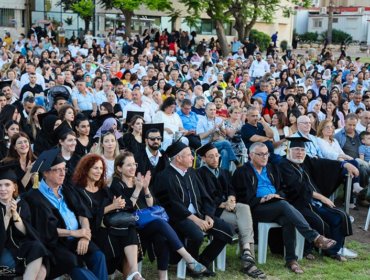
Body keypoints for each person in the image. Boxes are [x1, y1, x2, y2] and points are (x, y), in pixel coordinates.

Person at [232, 142, 337, 274]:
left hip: (275, 205)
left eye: (266, 154)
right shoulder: (242, 172)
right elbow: (243, 198)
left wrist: (276, 195)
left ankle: (291, 260)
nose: (265, 157)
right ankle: (314, 237)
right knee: (284, 205)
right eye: (261, 154)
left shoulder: (271, 168)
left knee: (287, 218)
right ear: (251, 155)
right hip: (255, 209)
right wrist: (262, 199)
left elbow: (282, 189)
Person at [111, 151, 206, 279]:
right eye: (128, 165)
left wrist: (145, 188)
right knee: (160, 223)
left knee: (162, 237)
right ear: (119, 168)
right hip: (131, 226)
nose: (133, 167)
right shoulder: (116, 185)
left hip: (147, 223)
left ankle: (163, 277)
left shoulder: (137, 181)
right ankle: (189, 258)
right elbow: (127, 207)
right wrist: (137, 189)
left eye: (134, 164)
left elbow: (151, 204)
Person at [24, 148, 109, 279]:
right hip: (57, 243)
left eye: (64, 169)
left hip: (78, 238)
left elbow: (83, 213)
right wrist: (74, 233)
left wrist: (85, 235)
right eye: (58, 170)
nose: (62, 173)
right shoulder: (35, 197)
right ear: (46, 173)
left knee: (99, 256)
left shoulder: (67, 189)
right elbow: (44, 229)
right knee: (73, 264)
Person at [153, 141, 234, 277]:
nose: (192, 158)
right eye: (189, 155)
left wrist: (208, 215)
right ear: (178, 158)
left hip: (200, 214)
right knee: (196, 235)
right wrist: (196, 220)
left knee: (227, 230)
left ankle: (202, 262)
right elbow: (173, 205)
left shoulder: (191, 172)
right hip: (178, 218)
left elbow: (205, 196)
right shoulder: (164, 177)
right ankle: (193, 267)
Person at [279, 137, 358, 261]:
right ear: (288, 150)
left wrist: (344, 164)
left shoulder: (305, 161)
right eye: (296, 150)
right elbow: (298, 187)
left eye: (302, 150)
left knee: (340, 217)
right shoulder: (283, 164)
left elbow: (323, 163)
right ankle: (307, 249)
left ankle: (333, 251)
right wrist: (322, 197)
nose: (299, 153)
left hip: (314, 202)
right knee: (318, 221)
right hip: (298, 202)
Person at [196, 143, 266, 279]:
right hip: (213, 212)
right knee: (244, 223)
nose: (215, 159)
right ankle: (249, 263)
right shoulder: (199, 174)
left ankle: (246, 252)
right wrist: (222, 204)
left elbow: (231, 189)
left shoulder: (224, 172)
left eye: (217, 155)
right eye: (210, 157)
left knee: (244, 207)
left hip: (229, 207)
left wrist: (231, 198)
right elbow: (203, 197)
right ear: (203, 159)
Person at [73, 154, 144, 279]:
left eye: (101, 168)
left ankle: (133, 274)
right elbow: (86, 214)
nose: (99, 171)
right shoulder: (78, 190)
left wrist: (119, 204)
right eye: (95, 168)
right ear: (86, 169)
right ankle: (131, 274)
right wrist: (111, 207)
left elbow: (119, 204)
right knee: (125, 235)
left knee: (130, 230)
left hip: (107, 226)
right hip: (92, 229)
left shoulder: (103, 188)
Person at [0, 162, 48, 279]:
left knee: (42, 269)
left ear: (14, 187)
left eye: (7, 185)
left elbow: (26, 232)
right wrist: (6, 216)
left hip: (20, 247)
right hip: (3, 250)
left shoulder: (21, 204)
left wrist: (15, 214)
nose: (3, 189)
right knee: (39, 270)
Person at [197, 102, 238, 170]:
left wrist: (220, 128)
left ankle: (224, 174)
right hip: (206, 145)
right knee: (226, 143)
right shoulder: (201, 121)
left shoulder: (219, 119)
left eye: (214, 109)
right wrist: (212, 131)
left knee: (225, 152)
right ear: (206, 110)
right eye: (211, 110)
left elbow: (225, 134)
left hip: (218, 142)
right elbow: (201, 136)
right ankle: (235, 161)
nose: (213, 111)